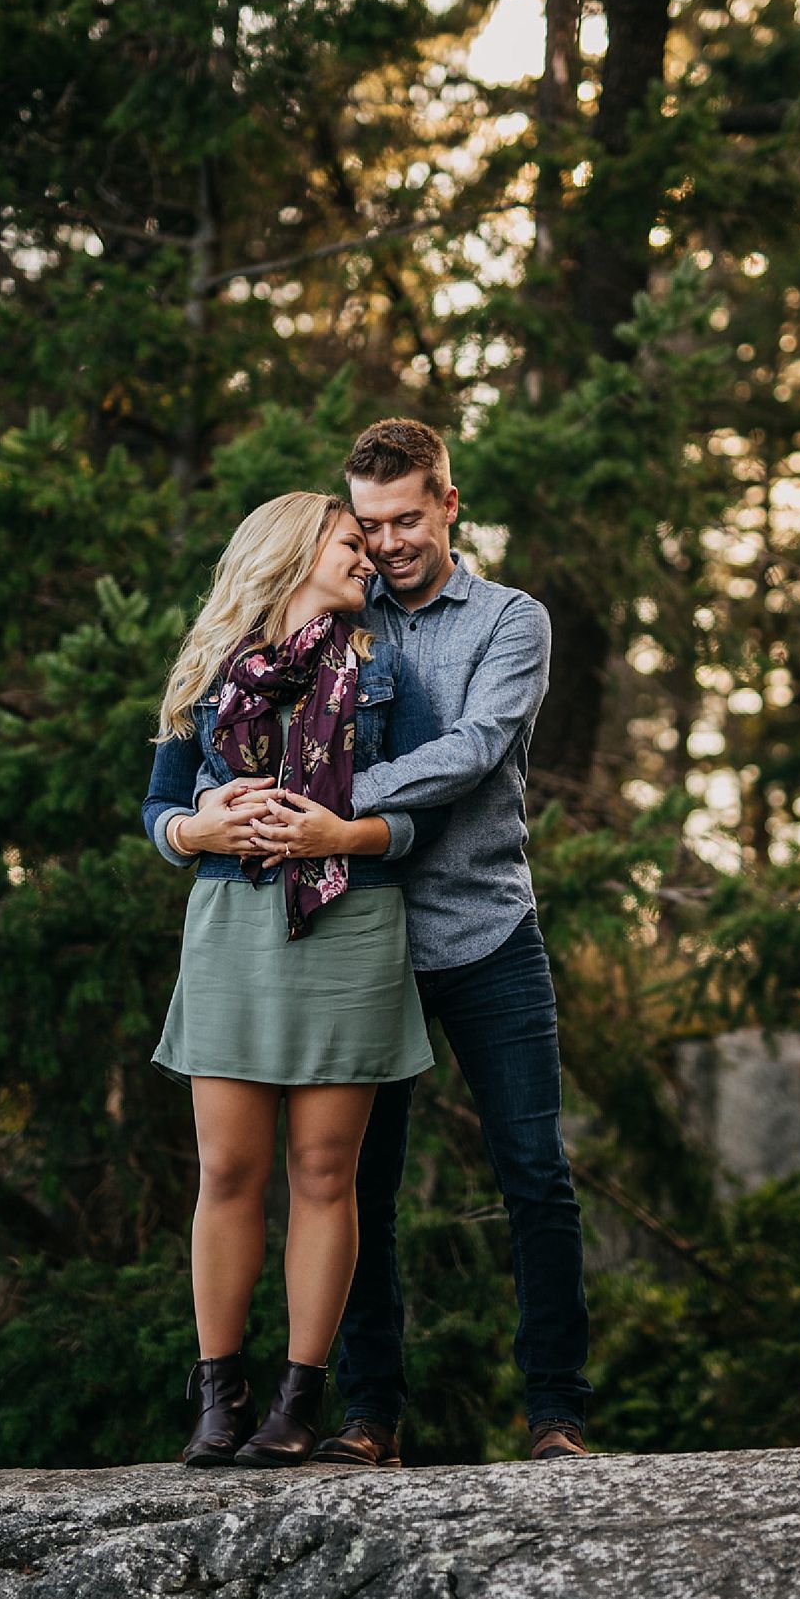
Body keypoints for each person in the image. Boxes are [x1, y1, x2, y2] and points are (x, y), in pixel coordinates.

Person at [248, 419, 591, 1464]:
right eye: (369, 523)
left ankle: (556, 1412)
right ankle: (368, 1414)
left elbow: (475, 752)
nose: (388, 541)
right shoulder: (338, 612)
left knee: (533, 1167)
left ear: (448, 501)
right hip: (365, 940)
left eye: (406, 517)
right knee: (355, 1184)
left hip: (487, 929)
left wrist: (325, 800)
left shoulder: (509, 619)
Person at [141, 491, 443, 1470]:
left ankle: (294, 1403)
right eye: (352, 542)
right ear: (294, 552)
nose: (370, 558)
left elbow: (415, 817)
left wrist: (336, 831)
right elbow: (157, 807)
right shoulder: (209, 670)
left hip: (351, 919)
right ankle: (217, 1398)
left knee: (323, 1172)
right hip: (232, 916)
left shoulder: (387, 673)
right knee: (227, 1169)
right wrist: (199, 827)